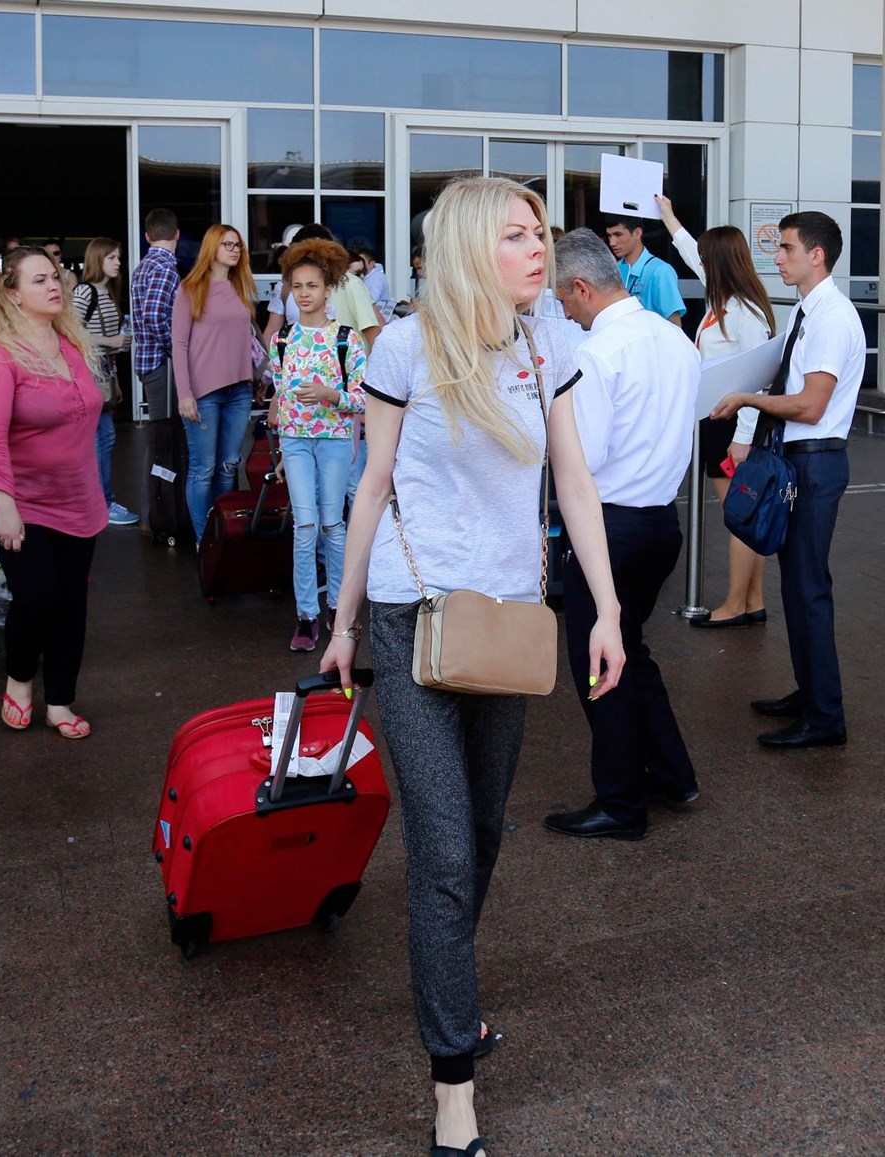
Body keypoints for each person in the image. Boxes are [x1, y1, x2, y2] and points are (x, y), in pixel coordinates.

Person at [320, 178, 624, 1156]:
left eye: (541, 232)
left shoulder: (553, 347)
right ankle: (454, 1078)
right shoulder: (405, 346)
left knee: (483, 835)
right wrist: (343, 619)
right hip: (413, 623)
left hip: (509, 620)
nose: (542, 248)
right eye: (518, 234)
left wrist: (606, 608)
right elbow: (371, 485)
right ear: (465, 248)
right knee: (444, 851)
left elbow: (573, 481)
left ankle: (448, 978)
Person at [546, 228, 700, 842]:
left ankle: (621, 803)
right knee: (629, 647)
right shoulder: (674, 338)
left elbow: (586, 457)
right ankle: (670, 772)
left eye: (561, 297)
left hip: (608, 523)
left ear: (582, 288)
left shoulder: (595, 353)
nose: (560, 309)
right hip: (662, 518)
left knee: (598, 662)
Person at [710, 212, 865, 749]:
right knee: (798, 588)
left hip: (815, 461)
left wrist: (747, 399)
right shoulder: (808, 310)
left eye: (788, 248)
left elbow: (809, 404)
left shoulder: (830, 318)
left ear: (817, 255)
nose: (777, 258)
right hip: (801, 460)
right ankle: (811, 694)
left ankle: (825, 718)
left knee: (808, 589)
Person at [0, 246, 107, 739]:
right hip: (19, 500)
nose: (55, 287)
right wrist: (4, 504)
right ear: (12, 294)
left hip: (77, 498)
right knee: (37, 595)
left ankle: (61, 701)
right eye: (41, 280)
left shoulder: (70, 344)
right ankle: (20, 681)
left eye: (57, 278)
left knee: (71, 602)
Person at [656, 195, 776, 628]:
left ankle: (734, 606)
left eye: (707, 260)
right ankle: (753, 601)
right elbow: (692, 253)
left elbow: (755, 381)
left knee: (740, 519)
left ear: (720, 263)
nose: (699, 265)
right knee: (747, 516)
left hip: (731, 427)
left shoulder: (744, 313)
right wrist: (668, 216)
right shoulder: (722, 301)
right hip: (717, 421)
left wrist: (742, 439)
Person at [268, 238, 366, 652]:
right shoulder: (282, 342)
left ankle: (339, 610)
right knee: (305, 529)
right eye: (297, 285)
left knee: (333, 525)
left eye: (312, 285)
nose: (304, 293)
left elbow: (362, 400)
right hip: (295, 441)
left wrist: (330, 395)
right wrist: (282, 452)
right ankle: (306, 615)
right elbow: (280, 397)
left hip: (335, 440)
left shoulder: (347, 340)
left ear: (329, 290)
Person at [171, 223, 258, 545]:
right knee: (204, 469)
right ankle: (203, 541)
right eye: (227, 245)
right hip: (203, 392)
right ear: (212, 248)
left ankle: (226, 537)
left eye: (238, 245)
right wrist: (184, 395)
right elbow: (178, 343)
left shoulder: (241, 287)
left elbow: (247, 339)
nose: (235, 250)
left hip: (240, 389)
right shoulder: (191, 288)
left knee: (227, 466)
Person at [72, 238, 138, 527]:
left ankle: (98, 500)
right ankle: (103, 502)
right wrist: (111, 340)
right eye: (112, 257)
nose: (117, 263)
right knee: (101, 437)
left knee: (104, 437)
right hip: (90, 371)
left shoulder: (105, 293)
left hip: (103, 372)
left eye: (118, 258)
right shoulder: (85, 292)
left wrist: (116, 381)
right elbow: (69, 332)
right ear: (98, 260)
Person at [131, 208, 182, 527]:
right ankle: (159, 515)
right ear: (177, 234)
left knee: (160, 439)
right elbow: (153, 316)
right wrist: (174, 348)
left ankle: (158, 511)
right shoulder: (164, 268)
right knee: (164, 441)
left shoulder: (143, 267)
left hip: (149, 363)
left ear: (148, 236)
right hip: (161, 365)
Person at [262, 224, 382, 352]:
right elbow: (272, 330)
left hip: (346, 362)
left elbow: (373, 332)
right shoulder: (287, 285)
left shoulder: (350, 284)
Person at [603, 213, 685, 326]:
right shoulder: (610, 270)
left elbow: (674, 325)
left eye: (618, 235)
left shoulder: (660, 271)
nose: (612, 242)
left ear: (637, 233)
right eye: (609, 236)